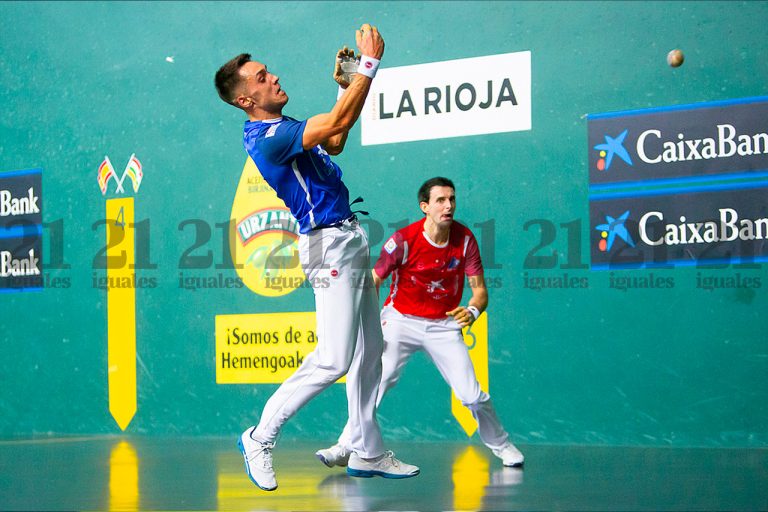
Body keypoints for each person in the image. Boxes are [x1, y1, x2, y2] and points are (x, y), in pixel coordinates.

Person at [213, 23, 419, 491]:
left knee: (370, 352)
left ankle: (367, 451)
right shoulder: (267, 138)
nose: (273, 77)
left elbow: (335, 139)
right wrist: (369, 65)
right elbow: (337, 125)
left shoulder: (284, 127)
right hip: (327, 247)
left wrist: (346, 86)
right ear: (245, 99)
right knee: (332, 359)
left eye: (268, 71)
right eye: (261, 77)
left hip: (349, 237)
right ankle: (259, 437)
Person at [315, 177, 525, 469]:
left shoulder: (465, 240)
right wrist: (365, 320)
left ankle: (502, 445)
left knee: (472, 396)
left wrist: (473, 311)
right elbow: (375, 279)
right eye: (441, 200)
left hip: (444, 325)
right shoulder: (403, 240)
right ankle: (345, 447)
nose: (448, 206)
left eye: (452, 199)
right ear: (425, 206)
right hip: (400, 320)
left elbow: (480, 292)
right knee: (378, 381)